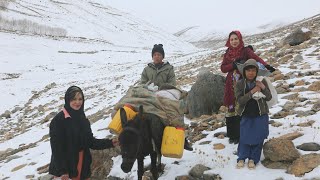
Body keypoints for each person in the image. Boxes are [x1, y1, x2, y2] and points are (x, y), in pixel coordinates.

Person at [49, 86, 118, 180]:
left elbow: (90, 142)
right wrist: (63, 172)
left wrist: (110, 143)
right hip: (65, 170)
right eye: (74, 99)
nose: (77, 102)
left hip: (82, 166)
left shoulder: (83, 119)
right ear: (67, 100)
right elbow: (57, 149)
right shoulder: (59, 120)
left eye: (80, 99)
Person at [220, 30, 275, 144]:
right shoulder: (227, 53)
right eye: (232, 39)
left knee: (242, 105)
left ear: (240, 40)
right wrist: (233, 65)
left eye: (236, 39)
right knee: (231, 108)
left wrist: (266, 65)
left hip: (244, 82)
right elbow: (223, 68)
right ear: (229, 41)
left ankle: (244, 133)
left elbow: (256, 59)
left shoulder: (246, 51)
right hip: (231, 83)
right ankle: (233, 135)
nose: (234, 41)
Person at [140, 44, 193, 151]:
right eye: (155, 54)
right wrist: (148, 87)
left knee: (176, 111)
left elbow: (172, 83)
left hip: (165, 94)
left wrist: (161, 89)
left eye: (159, 54)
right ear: (152, 56)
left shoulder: (169, 69)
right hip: (149, 95)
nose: (156, 56)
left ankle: (182, 140)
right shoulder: (146, 69)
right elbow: (143, 83)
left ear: (162, 56)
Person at [234, 59, 272, 169]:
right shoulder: (240, 84)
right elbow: (240, 100)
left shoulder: (262, 81)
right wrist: (253, 91)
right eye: (248, 70)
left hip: (261, 113)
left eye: (253, 70)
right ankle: (241, 157)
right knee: (245, 136)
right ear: (244, 72)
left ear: (256, 72)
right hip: (246, 114)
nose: (251, 73)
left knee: (259, 136)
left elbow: (269, 97)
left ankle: (253, 159)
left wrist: (263, 87)